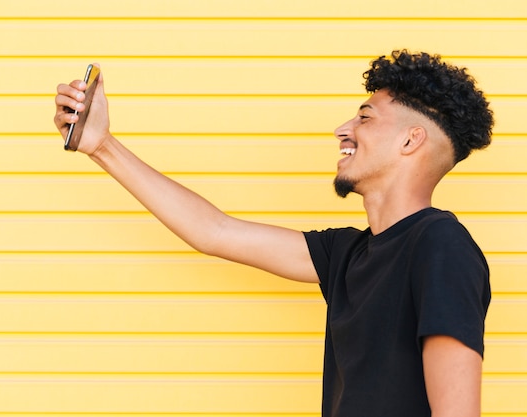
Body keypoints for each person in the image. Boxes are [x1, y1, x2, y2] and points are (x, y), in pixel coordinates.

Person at [54, 49, 493, 417]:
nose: (342, 129)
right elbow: (215, 231)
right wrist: (101, 145)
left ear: (410, 141)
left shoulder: (441, 246)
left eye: (364, 117)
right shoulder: (347, 253)